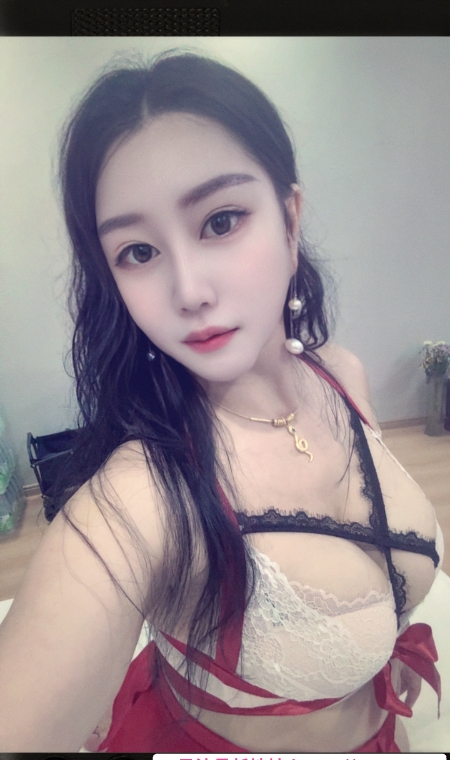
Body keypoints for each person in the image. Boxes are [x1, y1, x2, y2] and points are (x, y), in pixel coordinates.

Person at [0, 50, 443, 752]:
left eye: (220, 220)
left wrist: (391, 643)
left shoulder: (341, 373)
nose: (188, 291)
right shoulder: (143, 495)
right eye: (138, 252)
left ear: (290, 220)